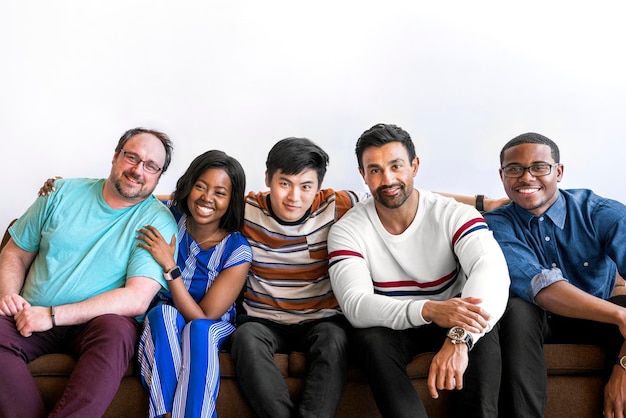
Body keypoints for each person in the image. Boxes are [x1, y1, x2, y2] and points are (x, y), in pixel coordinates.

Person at [327, 123, 510, 418]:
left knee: (481, 322)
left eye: (396, 166)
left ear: (414, 166)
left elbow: (491, 270)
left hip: (454, 317)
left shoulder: (454, 213)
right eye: (374, 170)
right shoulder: (347, 230)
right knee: (368, 337)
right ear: (362, 175)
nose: (387, 179)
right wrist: (429, 310)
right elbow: (356, 305)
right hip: (393, 325)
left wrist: (459, 337)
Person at [0, 127, 178, 417]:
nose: (138, 170)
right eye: (131, 157)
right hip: (31, 312)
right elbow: (15, 252)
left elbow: (136, 299)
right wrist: (9, 295)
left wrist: (53, 315)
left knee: (118, 332)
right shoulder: (60, 193)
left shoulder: (157, 221)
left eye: (150, 166)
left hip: (96, 325)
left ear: (159, 176)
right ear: (115, 156)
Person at [479, 132, 626, 417]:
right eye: (514, 169)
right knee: (516, 308)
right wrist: (621, 318)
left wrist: (624, 365)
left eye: (539, 167)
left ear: (558, 172)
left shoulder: (601, 213)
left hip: (596, 319)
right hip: (531, 324)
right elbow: (542, 287)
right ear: (502, 175)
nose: (526, 177)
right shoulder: (494, 226)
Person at [229, 137, 366, 418]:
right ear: (268, 178)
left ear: (317, 186)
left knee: (335, 339)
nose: (294, 197)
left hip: (321, 320)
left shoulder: (339, 204)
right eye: (284, 184)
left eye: (305, 186)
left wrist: (480, 202)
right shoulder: (245, 210)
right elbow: (194, 204)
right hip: (263, 319)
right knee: (245, 337)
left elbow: (403, 198)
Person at [136, 150, 252, 418]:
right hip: (164, 325)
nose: (207, 198)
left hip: (212, 328)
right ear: (189, 186)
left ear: (231, 200)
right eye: (200, 186)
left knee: (199, 330)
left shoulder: (237, 249)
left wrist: (170, 268)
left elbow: (204, 317)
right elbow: (127, 198)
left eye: (220, 193)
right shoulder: (168, 217)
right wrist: (69, 190)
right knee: (163, 312)